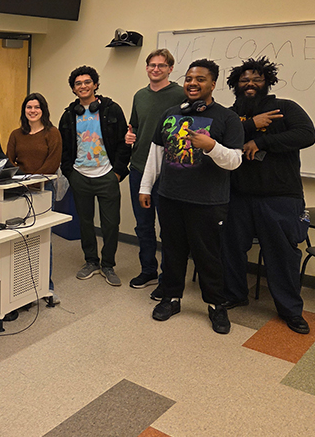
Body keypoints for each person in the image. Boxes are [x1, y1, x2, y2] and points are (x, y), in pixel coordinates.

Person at [139, 59, 243, 334]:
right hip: (171, 197)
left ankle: (216, 305)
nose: (193, 83)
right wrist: (146, 187)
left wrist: (211, 147)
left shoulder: (227, 118)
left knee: (208, 256)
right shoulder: (170, 113)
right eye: (189, 79)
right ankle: (171, 299)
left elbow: (235, 161)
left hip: (208, 201)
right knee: (172, 251)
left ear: (213, 83)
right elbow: (156, 153)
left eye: (200, 79)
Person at [220, 57, 315, 334]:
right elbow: (219, 139)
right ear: (235, 84)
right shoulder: (229, 114)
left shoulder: (285, 108)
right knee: (231, 249)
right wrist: (251, 125)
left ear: (267, 82)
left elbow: (307, 135)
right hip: (237, 196)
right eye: (244, 80)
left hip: (280, 197)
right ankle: (235, 295)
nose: (250, 84)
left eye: (256, 79)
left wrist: (261, 141)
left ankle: (290, 310)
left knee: (282, 255)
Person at [58, 66, 130, 287]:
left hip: (107, 175)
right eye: (78, 83)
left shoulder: (111, 110)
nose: (83, 86)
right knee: (86, 223)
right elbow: (64, 149)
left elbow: (123, 142)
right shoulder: (69, 115)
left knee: (111, 223)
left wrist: (117, 172)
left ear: (95, 84)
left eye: (87, 82)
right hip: (80, 175)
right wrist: (70, 173)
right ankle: (91, 261)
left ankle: (108, 264)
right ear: (73, 88)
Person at [125, 49, 187, 294]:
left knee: (169, 228)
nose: (156, 69)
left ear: (170, 68)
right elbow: (136, 127)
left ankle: (168, 278)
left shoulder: (182, 94)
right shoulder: (140, 96)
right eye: (152, 65)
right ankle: (148, 270)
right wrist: (130, 136)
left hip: (169, 171)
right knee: (143, 225)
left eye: (161, 65)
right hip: (140, 167)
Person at [7, 92, 62, 302]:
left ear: (43, 110)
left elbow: (53, 163)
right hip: (19, 190)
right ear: (24, 110)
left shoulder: (52, 133)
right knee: (20, 237)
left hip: (44, 189)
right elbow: (10, 161)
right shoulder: (16, 134)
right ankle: (21, 285)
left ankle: (46, 286)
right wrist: (23, 180)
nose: (32, 111)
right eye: (29, 107)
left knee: (42, 237)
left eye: (36, 107)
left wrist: (34, 180)